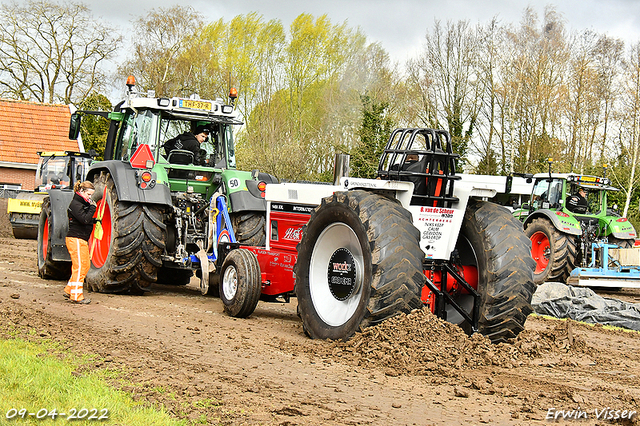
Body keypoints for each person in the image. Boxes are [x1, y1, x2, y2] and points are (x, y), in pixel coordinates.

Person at [64, 181, 97, 304]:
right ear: (82, 192)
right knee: (79, 266)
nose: (90, 197)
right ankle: (76, 296)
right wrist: (93, 208)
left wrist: (94, 221)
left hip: (81, 239)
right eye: (89, 194)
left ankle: (69, 289)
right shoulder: (75, 204)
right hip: (75, 238)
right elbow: (84, 219)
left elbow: (85, 219)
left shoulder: (81, 204)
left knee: (85, 265)